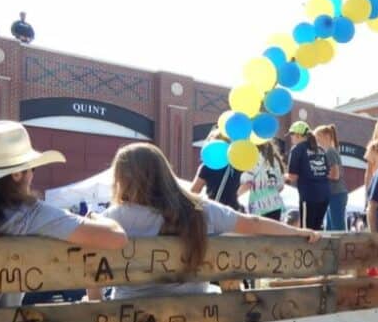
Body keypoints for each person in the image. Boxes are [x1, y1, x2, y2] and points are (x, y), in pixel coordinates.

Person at [96, 143, 319, 300]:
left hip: (130, 317)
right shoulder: (199, 209)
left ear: (121, 180)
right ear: (165, 174)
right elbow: (252, 223)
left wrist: (92, 305)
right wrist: (296, 232)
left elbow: (90, 268)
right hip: (196, 312)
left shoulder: (113, 218)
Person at [0, 120, 128, 308]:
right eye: (32, 168)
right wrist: (98, 218)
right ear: (17, 174)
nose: (33, 176)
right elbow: (117, 238)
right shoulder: (28, 214)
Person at [286, 121, 332, 230]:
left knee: (307, 232)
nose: (291, 138)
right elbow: (327, 172)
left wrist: (282, 177)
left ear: (297, 135)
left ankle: (308, 248)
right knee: (317, 230)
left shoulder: (297, 149)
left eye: (291, 135)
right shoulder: (320, 149)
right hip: (325, 195)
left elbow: (293, 177)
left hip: (309, 196)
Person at [190, 127, 241, 210]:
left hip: (215, 210)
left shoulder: (206, 167)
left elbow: (194, 191)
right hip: (234, 211)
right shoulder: (236, 165)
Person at [237, 140, 286, 221]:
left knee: (261, 233)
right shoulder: (274, 159)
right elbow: (280, 186)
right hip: (276, 204)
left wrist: (234, 196)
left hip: (259, 207)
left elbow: (247, 183)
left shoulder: (252, 159)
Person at [314, 124, 348, 231]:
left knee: (337, 227)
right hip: (333, 194)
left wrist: (320, 175)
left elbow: (335, 175)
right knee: (330, 227)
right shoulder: (330, 151)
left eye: (318, 138)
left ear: (326, 136)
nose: (316, 142)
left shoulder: (330, 151)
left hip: (336, 194)